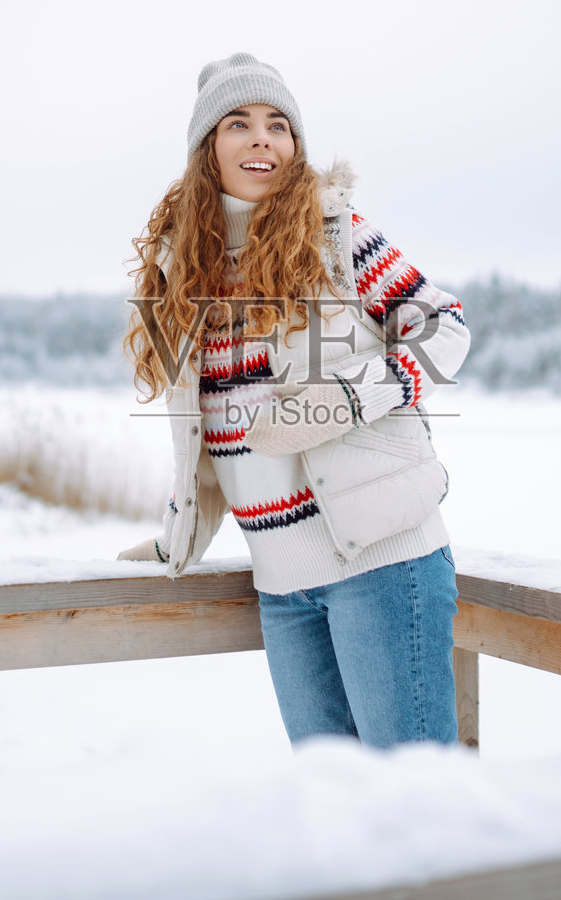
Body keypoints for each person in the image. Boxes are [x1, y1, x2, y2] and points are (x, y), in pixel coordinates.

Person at [118, 53, 471, 749]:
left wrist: (343, 397)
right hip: (281, 589)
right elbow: (204, 436)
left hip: (383, 565)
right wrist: (177, 530)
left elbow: (445, 328)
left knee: (413, 818)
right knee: (335, 816)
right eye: (239, 123)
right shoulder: (184, 272)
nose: (262, 139)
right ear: (205, 149)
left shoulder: (336, 235)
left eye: (278, 125)